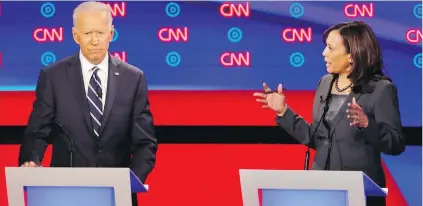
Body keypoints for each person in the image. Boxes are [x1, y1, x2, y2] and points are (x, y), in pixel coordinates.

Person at [18, 2, 157, 205]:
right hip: (65, 193)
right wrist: (31, 160)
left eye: (100, 32)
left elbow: (145, 143)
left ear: (111, 33)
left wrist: (131, 181)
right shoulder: (53, 76)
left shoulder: (133, 78)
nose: (94, 41)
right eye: (87, 33)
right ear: (76, 36)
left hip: (116, 196)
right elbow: (37, 132)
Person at [253, 21, 405, 206]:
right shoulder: (325, 83)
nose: (324, 53)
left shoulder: (380, 89)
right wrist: (283, 112)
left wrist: (367, 124)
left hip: (360, 194)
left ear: (352, 55)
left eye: (331, 48)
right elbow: (318, 139)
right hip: (323, 190)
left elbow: (396, 143)